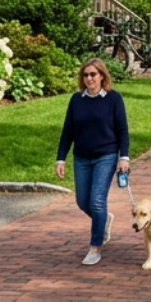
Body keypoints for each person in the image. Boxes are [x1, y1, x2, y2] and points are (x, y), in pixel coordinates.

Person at [55, 58, 130, 265]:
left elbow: (122, 130)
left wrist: (124, 157)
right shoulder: (77, 99)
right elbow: (67, 131)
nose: (89, 78)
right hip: (81, 157)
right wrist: (60, 158)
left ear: (102, 76)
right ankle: (103, 220)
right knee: (83, 202)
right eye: (86, 75)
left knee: (97, 201)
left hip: (105, 156)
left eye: (93, 74)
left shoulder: (113, 99)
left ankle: (95, 247)